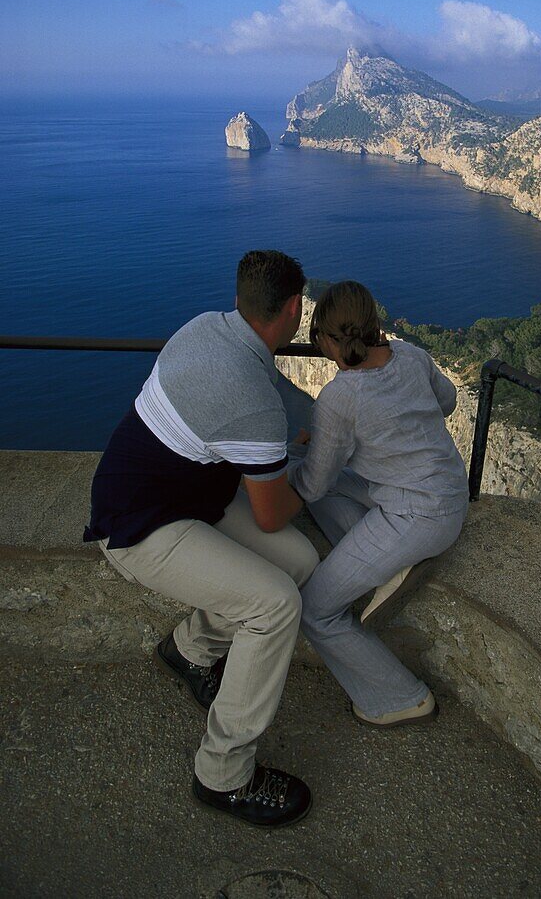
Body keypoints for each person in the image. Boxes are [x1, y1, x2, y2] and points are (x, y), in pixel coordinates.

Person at [84, 250, 319, 828]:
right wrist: (317, 476)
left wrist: (323, 421)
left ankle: (190, 650)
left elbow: (282, 403)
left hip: (184, 499)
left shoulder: (208, 328)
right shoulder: (250, 401)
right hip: (138, 528)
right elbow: (271, 514)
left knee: (301, 560)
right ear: (294, 309)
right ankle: (224, 774)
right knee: (275, 605)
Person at [289, 281, 469, 727]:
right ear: (374, 323)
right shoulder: (410, 355)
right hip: (449, 491)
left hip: (416, 515)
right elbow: (445, 403)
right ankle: (388, 566)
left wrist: (295, 460)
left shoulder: (340, 398)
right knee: (333, 482)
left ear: (327, 341)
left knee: (315, 611)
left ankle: (399, 697)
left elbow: (312, 486)